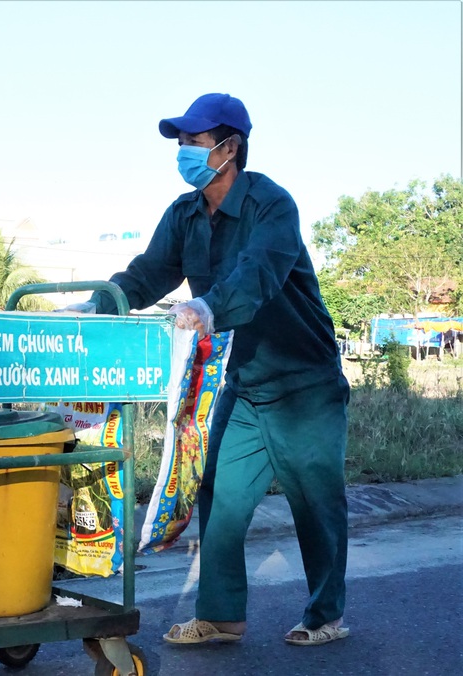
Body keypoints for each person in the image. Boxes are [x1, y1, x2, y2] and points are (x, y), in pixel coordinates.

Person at [88, 93, 350, 647]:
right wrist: (97, 305)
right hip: (244, 385)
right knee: (221, 497)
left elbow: (259, 273)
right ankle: (222, 615)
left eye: (193, 142)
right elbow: (148, 273)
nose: (183, 151)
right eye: (180, 142)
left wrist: (208, 308)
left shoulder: (271, 205)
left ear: (230, 147)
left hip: (305, 384)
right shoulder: (184, 214)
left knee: (315, 501)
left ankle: (325, 616)